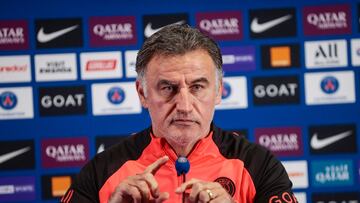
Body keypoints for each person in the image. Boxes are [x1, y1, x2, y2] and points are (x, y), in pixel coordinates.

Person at [61, 24, 298, 203]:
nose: (184, 105)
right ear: (142, 93)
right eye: (168, 88)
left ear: (218, 91)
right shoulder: (102, 171)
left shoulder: (258, 165)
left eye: (197, 87)